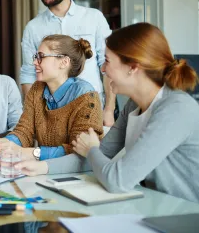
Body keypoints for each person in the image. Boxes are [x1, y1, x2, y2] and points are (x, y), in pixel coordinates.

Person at [15, 23, 199, 203]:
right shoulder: (133, 105)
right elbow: (95, 159)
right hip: (156, 207)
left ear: (132, 67)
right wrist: (40, 167)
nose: (103, 69)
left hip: (187, 216)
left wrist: (92, 149)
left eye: (108, 61)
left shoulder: (176, 108)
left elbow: (117, 180)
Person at [20, 0, 115, 126]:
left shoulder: (94, 18)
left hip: (92, 108)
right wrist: (34, 116)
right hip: (52, 113)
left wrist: (109, 109)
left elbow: (109, 65)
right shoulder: (33, 27)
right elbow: (29, 74)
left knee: (91, 151)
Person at [0, 35, 103, 161]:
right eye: (36, 57)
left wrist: (32, 153)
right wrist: (1, 143)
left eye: (41, 57)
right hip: (42, 172)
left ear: (64, 62)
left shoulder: (87, 97)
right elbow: (24, 131)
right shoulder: (37, 89)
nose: (34, 62)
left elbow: (79, 151)